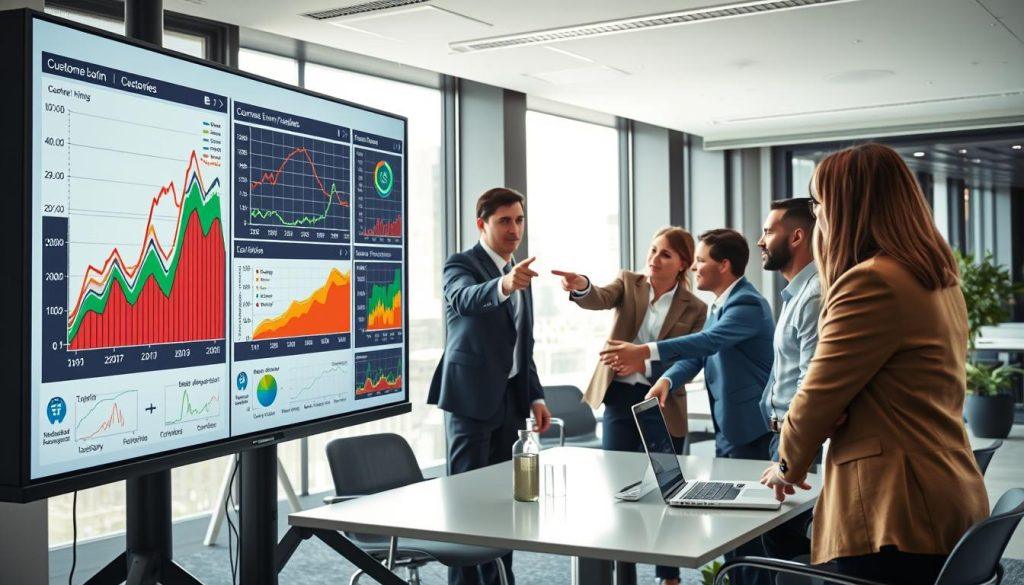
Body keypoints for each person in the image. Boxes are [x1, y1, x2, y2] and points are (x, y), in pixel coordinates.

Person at [760, 143, 989, 585]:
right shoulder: (935, 278)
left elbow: (817, 398)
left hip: (894, 510)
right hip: (940, 490)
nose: (818, 217)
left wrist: (787, 463)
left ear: (847, 207)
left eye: (820, 204)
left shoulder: (870, 281)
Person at [604, 228, 774, 585]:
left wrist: (645, 351)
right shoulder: (722, 302)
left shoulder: (746, 304)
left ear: (724, 265)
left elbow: (708, 340)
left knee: (751, 531)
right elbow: (700, 353)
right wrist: (666, 380)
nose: (694, 268)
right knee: (733, 525)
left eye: (700, 261)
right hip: (729, 427)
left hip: (750, 428)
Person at [552, 226, 707, 585]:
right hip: (620, 400)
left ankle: (668, 575)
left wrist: (646, 364)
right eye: (653, 251)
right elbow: (599, 297)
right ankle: (624, 575)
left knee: (666, 492)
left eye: (665, 254)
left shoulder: (696, 308)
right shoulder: (629, 282)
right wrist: (581, 286)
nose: (654, 259)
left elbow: (690, 356)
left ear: (683, 263)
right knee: (620, 491)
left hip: (663, 403)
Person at [427, 187, 552, 585]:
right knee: (467, 508)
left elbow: (521, 342)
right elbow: (464, 298)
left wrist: (534, 395)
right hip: (470, 401)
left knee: (505, 506)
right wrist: (503, 285)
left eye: (519, 219)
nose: (514, 229)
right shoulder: (460, 264)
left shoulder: (519, 270)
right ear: (481, 224)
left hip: (510, 404)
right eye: (504, 221)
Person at [755, 198, 821, 562]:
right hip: (784, 433)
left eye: (768, 231)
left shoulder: (812, 296)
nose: (760, 240)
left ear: (796, 237)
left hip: (793, 437)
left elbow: (810, 384)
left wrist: (789, 457)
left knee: (785, 548)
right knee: (782, 543)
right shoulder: (795, 293)